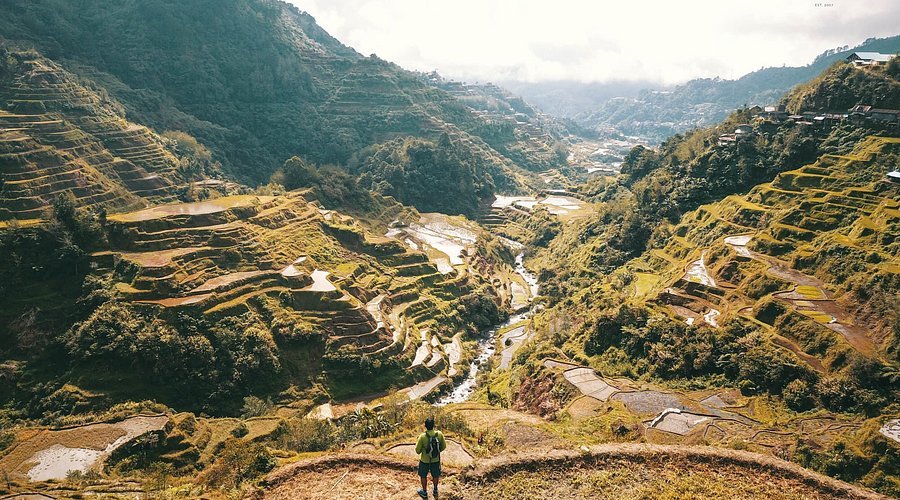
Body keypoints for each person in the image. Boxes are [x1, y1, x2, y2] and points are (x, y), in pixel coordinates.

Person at [415, 416, 446, 498]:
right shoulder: (439, 434)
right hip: (436, 460)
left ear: (425, 426)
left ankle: (424, 492)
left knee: (423, 475)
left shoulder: (422, 436)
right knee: (435, 475)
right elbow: (443, 446)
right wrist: (436, 452)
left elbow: (417, 451)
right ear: (433, 425)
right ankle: (435, 490)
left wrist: (424, 450)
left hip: (424, 460)